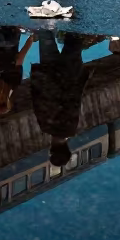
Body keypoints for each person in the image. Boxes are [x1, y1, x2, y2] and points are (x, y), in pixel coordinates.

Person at [30, 31, 94, 167]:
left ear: (67, 148)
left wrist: (82, 79)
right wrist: (37, 77)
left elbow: (74, 100)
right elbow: (37, 98)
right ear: (51, 149)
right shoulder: (45, 126)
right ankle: (45, 13)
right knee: (45, 34)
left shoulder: (71, 128)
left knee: (73, 40)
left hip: (69, 74)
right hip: (48, 73)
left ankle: (74, 14)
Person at [0, 27, 33, 115]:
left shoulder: (14, 83)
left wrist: (30, 40)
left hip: (11, 40)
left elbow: (19, 58)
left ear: (10, 101)